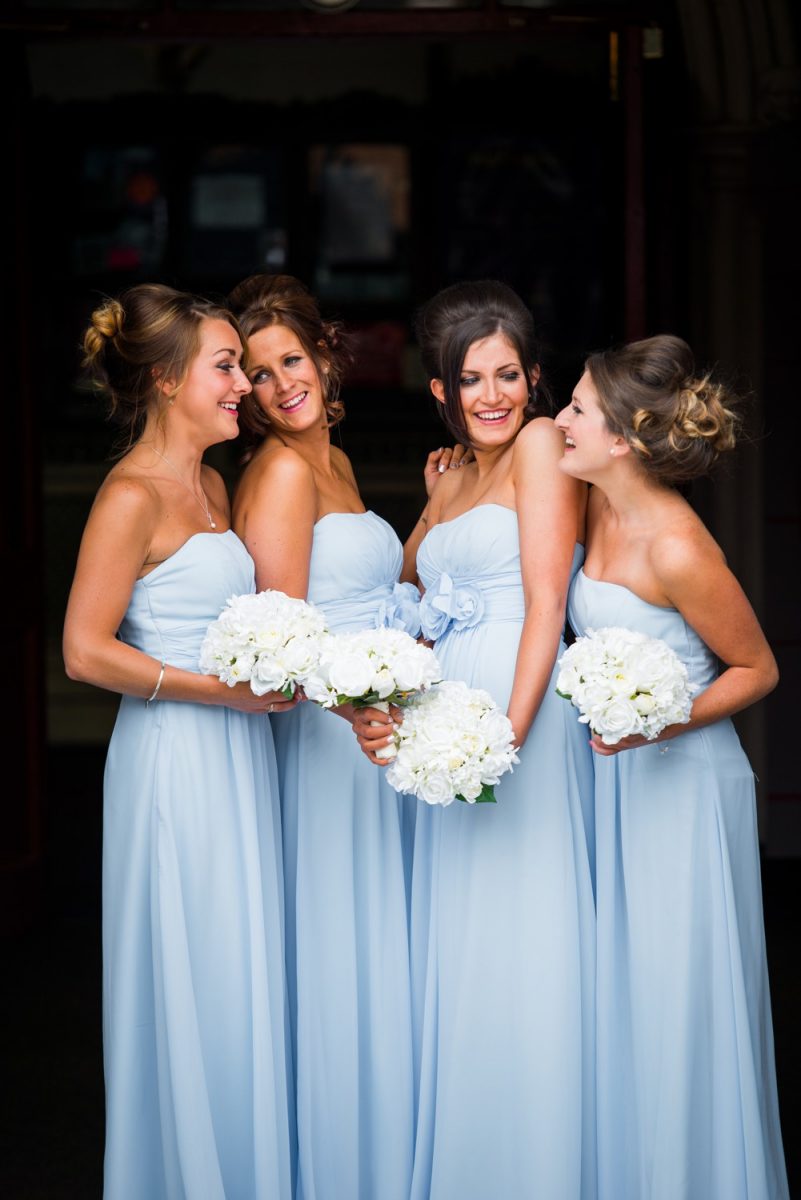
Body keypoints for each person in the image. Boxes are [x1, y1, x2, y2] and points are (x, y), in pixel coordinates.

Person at [360, 279, 596, 1199]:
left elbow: (545, 604)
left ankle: (530, 1159)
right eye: (470, 380)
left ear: (534, 380)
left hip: (510, 700)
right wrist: (429, 502)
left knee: (519, 929)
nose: (492, 395)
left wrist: (510, 732)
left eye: (508, 375)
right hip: (444, 707)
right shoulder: (453, 474)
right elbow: (411, 580)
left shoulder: (541, 446)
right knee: (454, 934)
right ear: (440, 393)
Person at [228, 273, 462, 1200]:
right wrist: (358, 709)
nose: (279, 382)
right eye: (254, 373)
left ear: (325, 356)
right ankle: (338, 1165)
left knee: (378, 946)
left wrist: (431, 513)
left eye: (289, 358)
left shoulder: (333, 460)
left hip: (370, 726)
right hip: (334, 740)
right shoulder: (283, 471)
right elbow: (282, 639)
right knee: (340, 946)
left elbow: (370, 597)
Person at [63, 284, 295, 1199]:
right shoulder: (131, 495)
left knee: (239, 975)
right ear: (166, 380)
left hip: (238, 757)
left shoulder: (212, 482)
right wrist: (215, 692)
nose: (245, 384)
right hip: (175, 763)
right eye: (227, 365)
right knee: (191, 973)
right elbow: (84, 651)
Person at [556, 334, 789, 1200]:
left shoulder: (678, 547)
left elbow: (757, 669)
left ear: (622, 438)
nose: (558, 420)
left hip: (682, 783)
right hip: (614, 772)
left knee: (676, 988)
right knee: (618, 986)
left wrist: (658, 724)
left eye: (575, 408)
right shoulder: (591, 506)